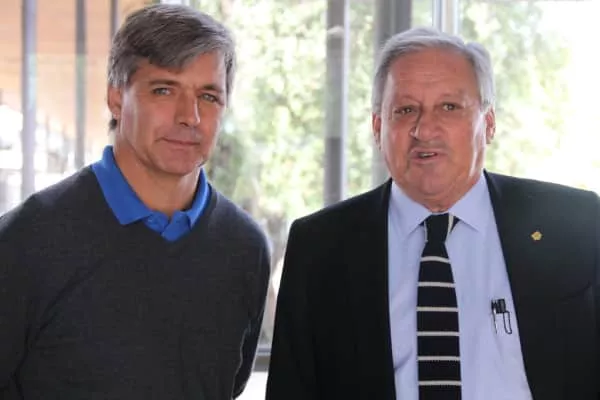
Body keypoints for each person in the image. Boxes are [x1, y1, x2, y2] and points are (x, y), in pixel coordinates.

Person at [266, 26, 600, 400]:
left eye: (449, 107)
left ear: (488, 124)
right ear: (378, 128)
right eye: (406, 110)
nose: (425, 130)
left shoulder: (576, 225)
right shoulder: (319, 248)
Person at [0, 4, 270, 399]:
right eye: (164, 90)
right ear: (116, 98)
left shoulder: (244, 248)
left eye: (208, 96)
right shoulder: (27, 241)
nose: (190, 116)